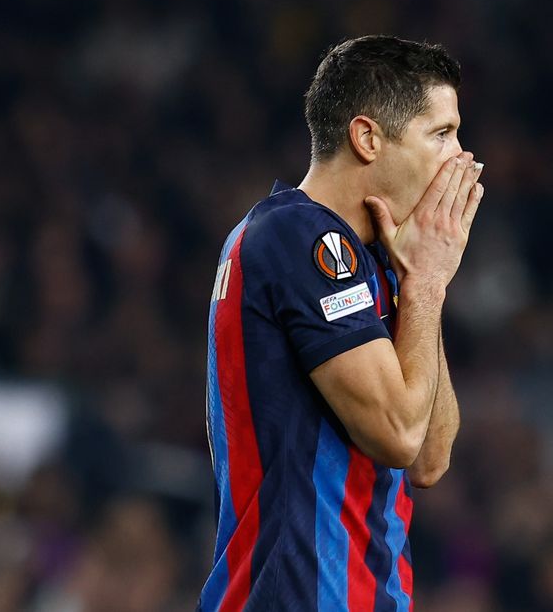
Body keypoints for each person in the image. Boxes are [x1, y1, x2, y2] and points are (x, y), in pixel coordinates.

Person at [198, 35, 484, 611]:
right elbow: (398, 435)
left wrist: (420, 288)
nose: (462, 158)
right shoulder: (299, 236)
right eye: (441, 134)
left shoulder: (374, 263)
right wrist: (426, 283)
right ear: (367, 137)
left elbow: (429, 459)